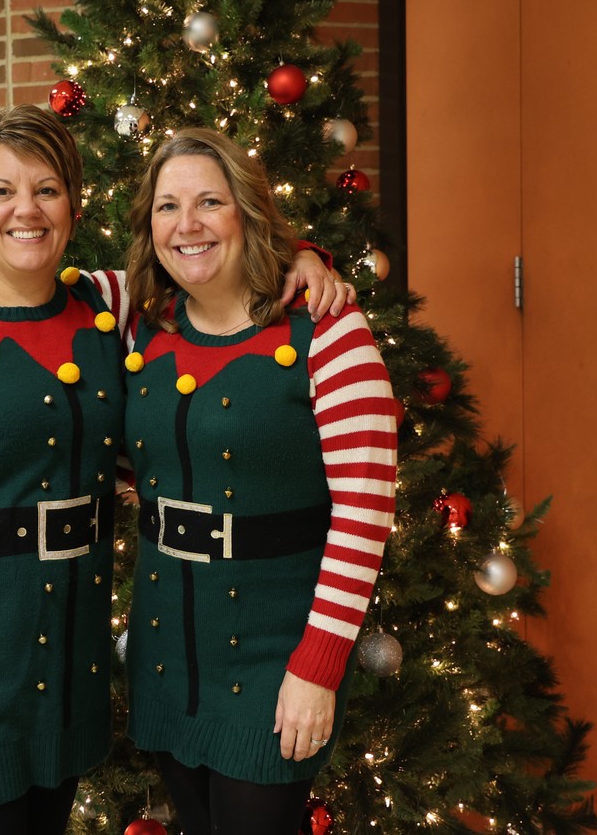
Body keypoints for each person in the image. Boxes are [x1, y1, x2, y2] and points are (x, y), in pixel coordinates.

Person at [0, 105, 349, 834]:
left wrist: (303, 256)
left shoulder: (110, 307)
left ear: (73, 205)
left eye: (46, 188)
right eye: (1, 190)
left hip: (61, 677)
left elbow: (206, 257)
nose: (25, 209)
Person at [122, 128, 399, 835]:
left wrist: (319, 664)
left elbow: (365, 513)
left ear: (246, 211)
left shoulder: (328, 332)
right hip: (167, 661)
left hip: (276, 664)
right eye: (167, 206)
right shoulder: (139, 330)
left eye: (210, 201)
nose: (187, 225)